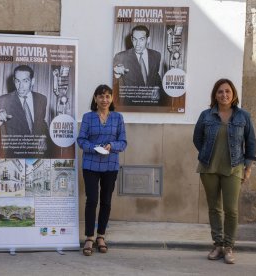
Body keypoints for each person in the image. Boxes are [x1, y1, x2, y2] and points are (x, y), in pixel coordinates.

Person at [193, 79, 256, 264]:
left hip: (234, 167)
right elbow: (197, 139)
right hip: (208, 168)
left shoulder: (243, 116)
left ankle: (229, 247)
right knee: (214, 208)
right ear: (215, 95)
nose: (224, 95)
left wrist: (248, 167)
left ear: (233, 94)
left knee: (231, 209)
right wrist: (207, 153)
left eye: (227, 91)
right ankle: (218, 245)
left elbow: (251, 143)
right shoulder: (206, 115)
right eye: (220, 92)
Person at [77, 84, 127, 256]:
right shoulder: (88, 117)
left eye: (107, 96)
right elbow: (81, 140)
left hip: (110, 165)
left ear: (111, 98)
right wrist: (95, 148)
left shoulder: (118, 118)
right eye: (101, 96)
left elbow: (123, 142)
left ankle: (101, 236)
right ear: (95, 99)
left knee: (106, 201)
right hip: (90, 164)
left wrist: (111, 145)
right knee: (92, 200)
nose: (104, 99)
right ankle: (89, 237)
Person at [113, 25, 166, 105]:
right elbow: (113, 83)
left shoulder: (156, 55)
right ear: (131, 39)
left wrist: (157, 88)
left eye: (141, 39)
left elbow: (156, 76)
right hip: (131, 106)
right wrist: (116, 74)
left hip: (152, 105)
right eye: (134, 39)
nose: (137, 44)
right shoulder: (121, 56)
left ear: (148, 40)